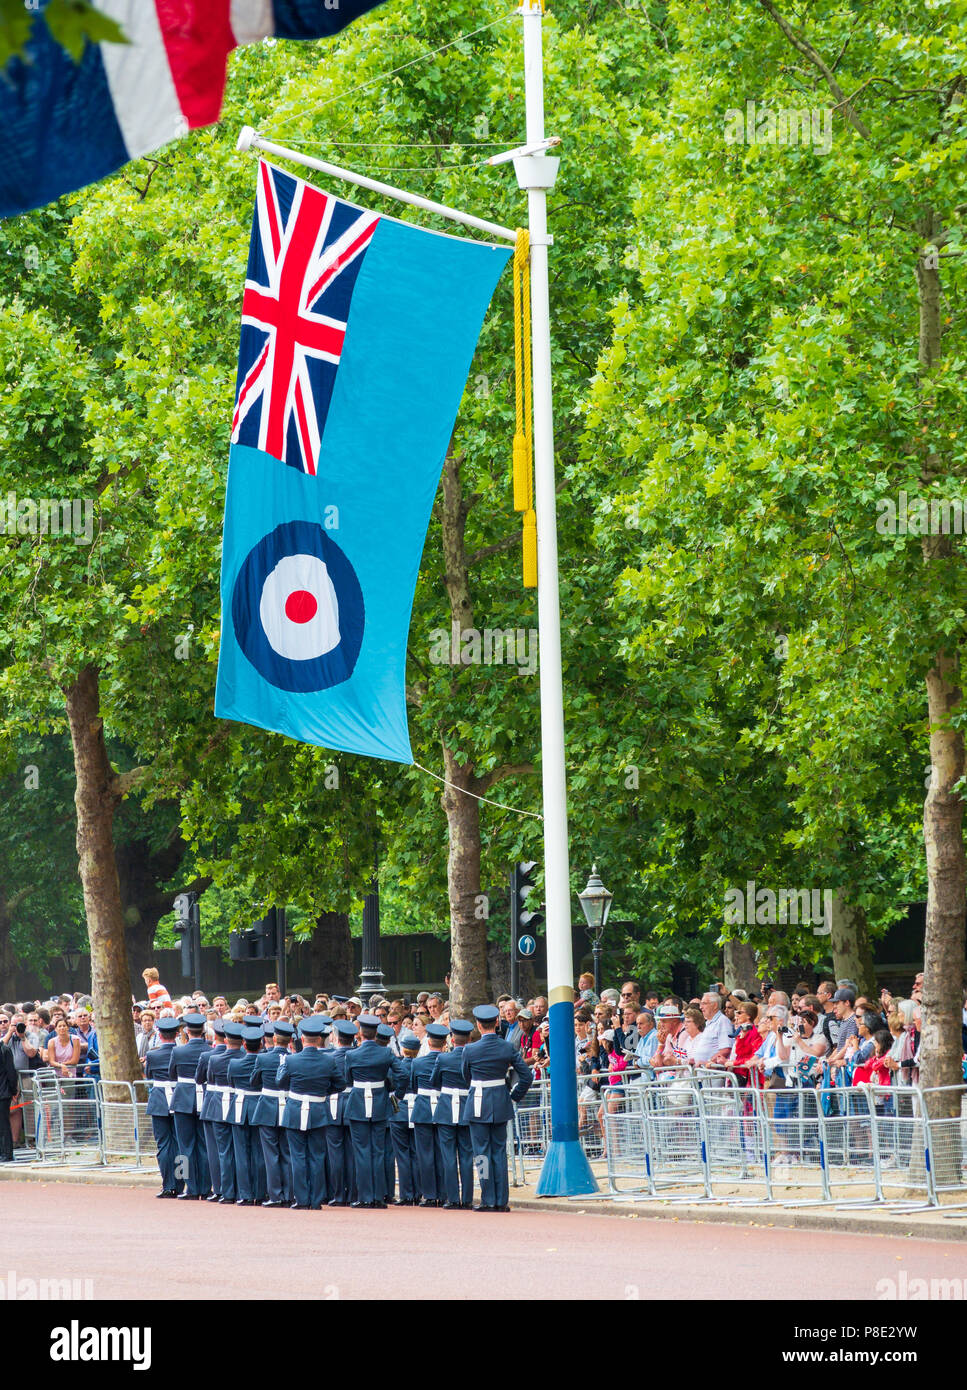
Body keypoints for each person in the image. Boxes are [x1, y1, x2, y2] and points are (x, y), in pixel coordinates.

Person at [460, 1004, 532, 1212]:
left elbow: (466, 1077)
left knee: (481, 1154)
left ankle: (487, 1198)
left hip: (478, 1102)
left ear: (478, 1025)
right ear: (496, 1023)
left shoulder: (470, 1049)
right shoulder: (507, 1047)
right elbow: (526, 1076)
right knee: (499, 1152)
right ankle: (501, 1200)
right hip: (500, 1100)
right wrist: (514, 1096)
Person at [343, 1012, 406, 1209]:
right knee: (378, 1151)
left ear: (361, 1033)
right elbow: (402, 1073)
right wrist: (397, 1093)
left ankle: (365, 1196)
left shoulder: (352, 1054)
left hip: (359, 1102)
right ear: (376, 1032)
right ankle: (378, 1196)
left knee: (362, 1151)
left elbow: (347, 1079)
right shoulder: (385, 1053)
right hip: (379, 1101)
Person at [278, 1017, 337, 1209]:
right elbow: (340, 1083)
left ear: (302, 1040)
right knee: (317, 1156)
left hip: (295, 1109)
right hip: (318, 1110)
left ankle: (302, 1199)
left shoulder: (291, 1060)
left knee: (298, 1156)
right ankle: (316, 1200)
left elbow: (280, 1081)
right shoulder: (329, 1060)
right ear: (319, 1040)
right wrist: (321, 1093)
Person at [430, 1017, 474, 1209]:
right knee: (466, 1156)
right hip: (466, 1107)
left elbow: (434, 1081)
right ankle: (467, 1198)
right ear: (469, 1039)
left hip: (446, 1108)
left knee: (448, 1156)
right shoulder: (472, 1056)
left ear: (452, 1039)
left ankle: (453, 1198)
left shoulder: (443, 1058)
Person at [167, 1010, 211, 1199]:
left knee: (184, 1147)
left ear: (186, 1031)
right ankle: (206, 1187)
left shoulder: (178, 1050)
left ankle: (189, 1187)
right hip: (205, 1097)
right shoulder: (210, 1050)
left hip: (183, 1099)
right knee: (205, 1145)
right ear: (202, 1031)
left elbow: (171, 1074)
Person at [253, 1019, 294, 1207]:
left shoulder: (262, 1058)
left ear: (275, 1038)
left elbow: (254, 1082)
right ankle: (289, 1194)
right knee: (287, 1152)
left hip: (268, 1107)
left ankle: (275, 1195)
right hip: (288, 1106)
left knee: (271, 1154)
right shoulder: (294, 1058)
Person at [227, 1022, 267, 1205]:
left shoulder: (234, 1064)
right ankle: (260, 1193)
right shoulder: (264, 1061)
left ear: (244, 1045)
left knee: (242, 1153)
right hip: (259, 1107)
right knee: (259, 1153)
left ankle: (245, 1193)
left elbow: (231, 1083)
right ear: (261, 1044)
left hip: (240, 1107)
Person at [143, 1015, 184, 1196]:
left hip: (160, 1099)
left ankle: (168, 1184)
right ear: (177, 1034)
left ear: (159, 1034)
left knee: (164, 1144)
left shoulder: (152, 1054)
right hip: (180, 1098)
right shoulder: (182, 1052)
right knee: (182, 1144)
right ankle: (182, 1183)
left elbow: (149, 1074)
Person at [409, 1021, 448, 1206]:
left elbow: (413, 1086)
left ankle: (430, 1194)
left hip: (423, 1107)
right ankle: (444, 1192)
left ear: (429, 1042)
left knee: (424, 1154)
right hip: (443, 1107)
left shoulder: (417, 1063)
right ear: (444, 1044)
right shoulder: (447, 1060)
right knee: (442, 1153)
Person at [389, 1032, 420, 1204]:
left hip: (399, 1109)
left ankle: (406, 1194)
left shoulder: (398, 1065)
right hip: (416, 1109)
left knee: (402, 1155)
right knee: (416, 1153)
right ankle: (418, 1192)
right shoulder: (420, 1064)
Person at [0, 1027, 19, 1163]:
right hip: (4, 1092)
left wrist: (12, 1090)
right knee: (4, 1123)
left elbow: (11, 1073)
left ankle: (6, 1153)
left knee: (3, 1123)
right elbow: (11, 1072)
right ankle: (6, 1153)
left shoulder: (4, 1050)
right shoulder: (5, 1050)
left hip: (3, 1092)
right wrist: (13, 1090)